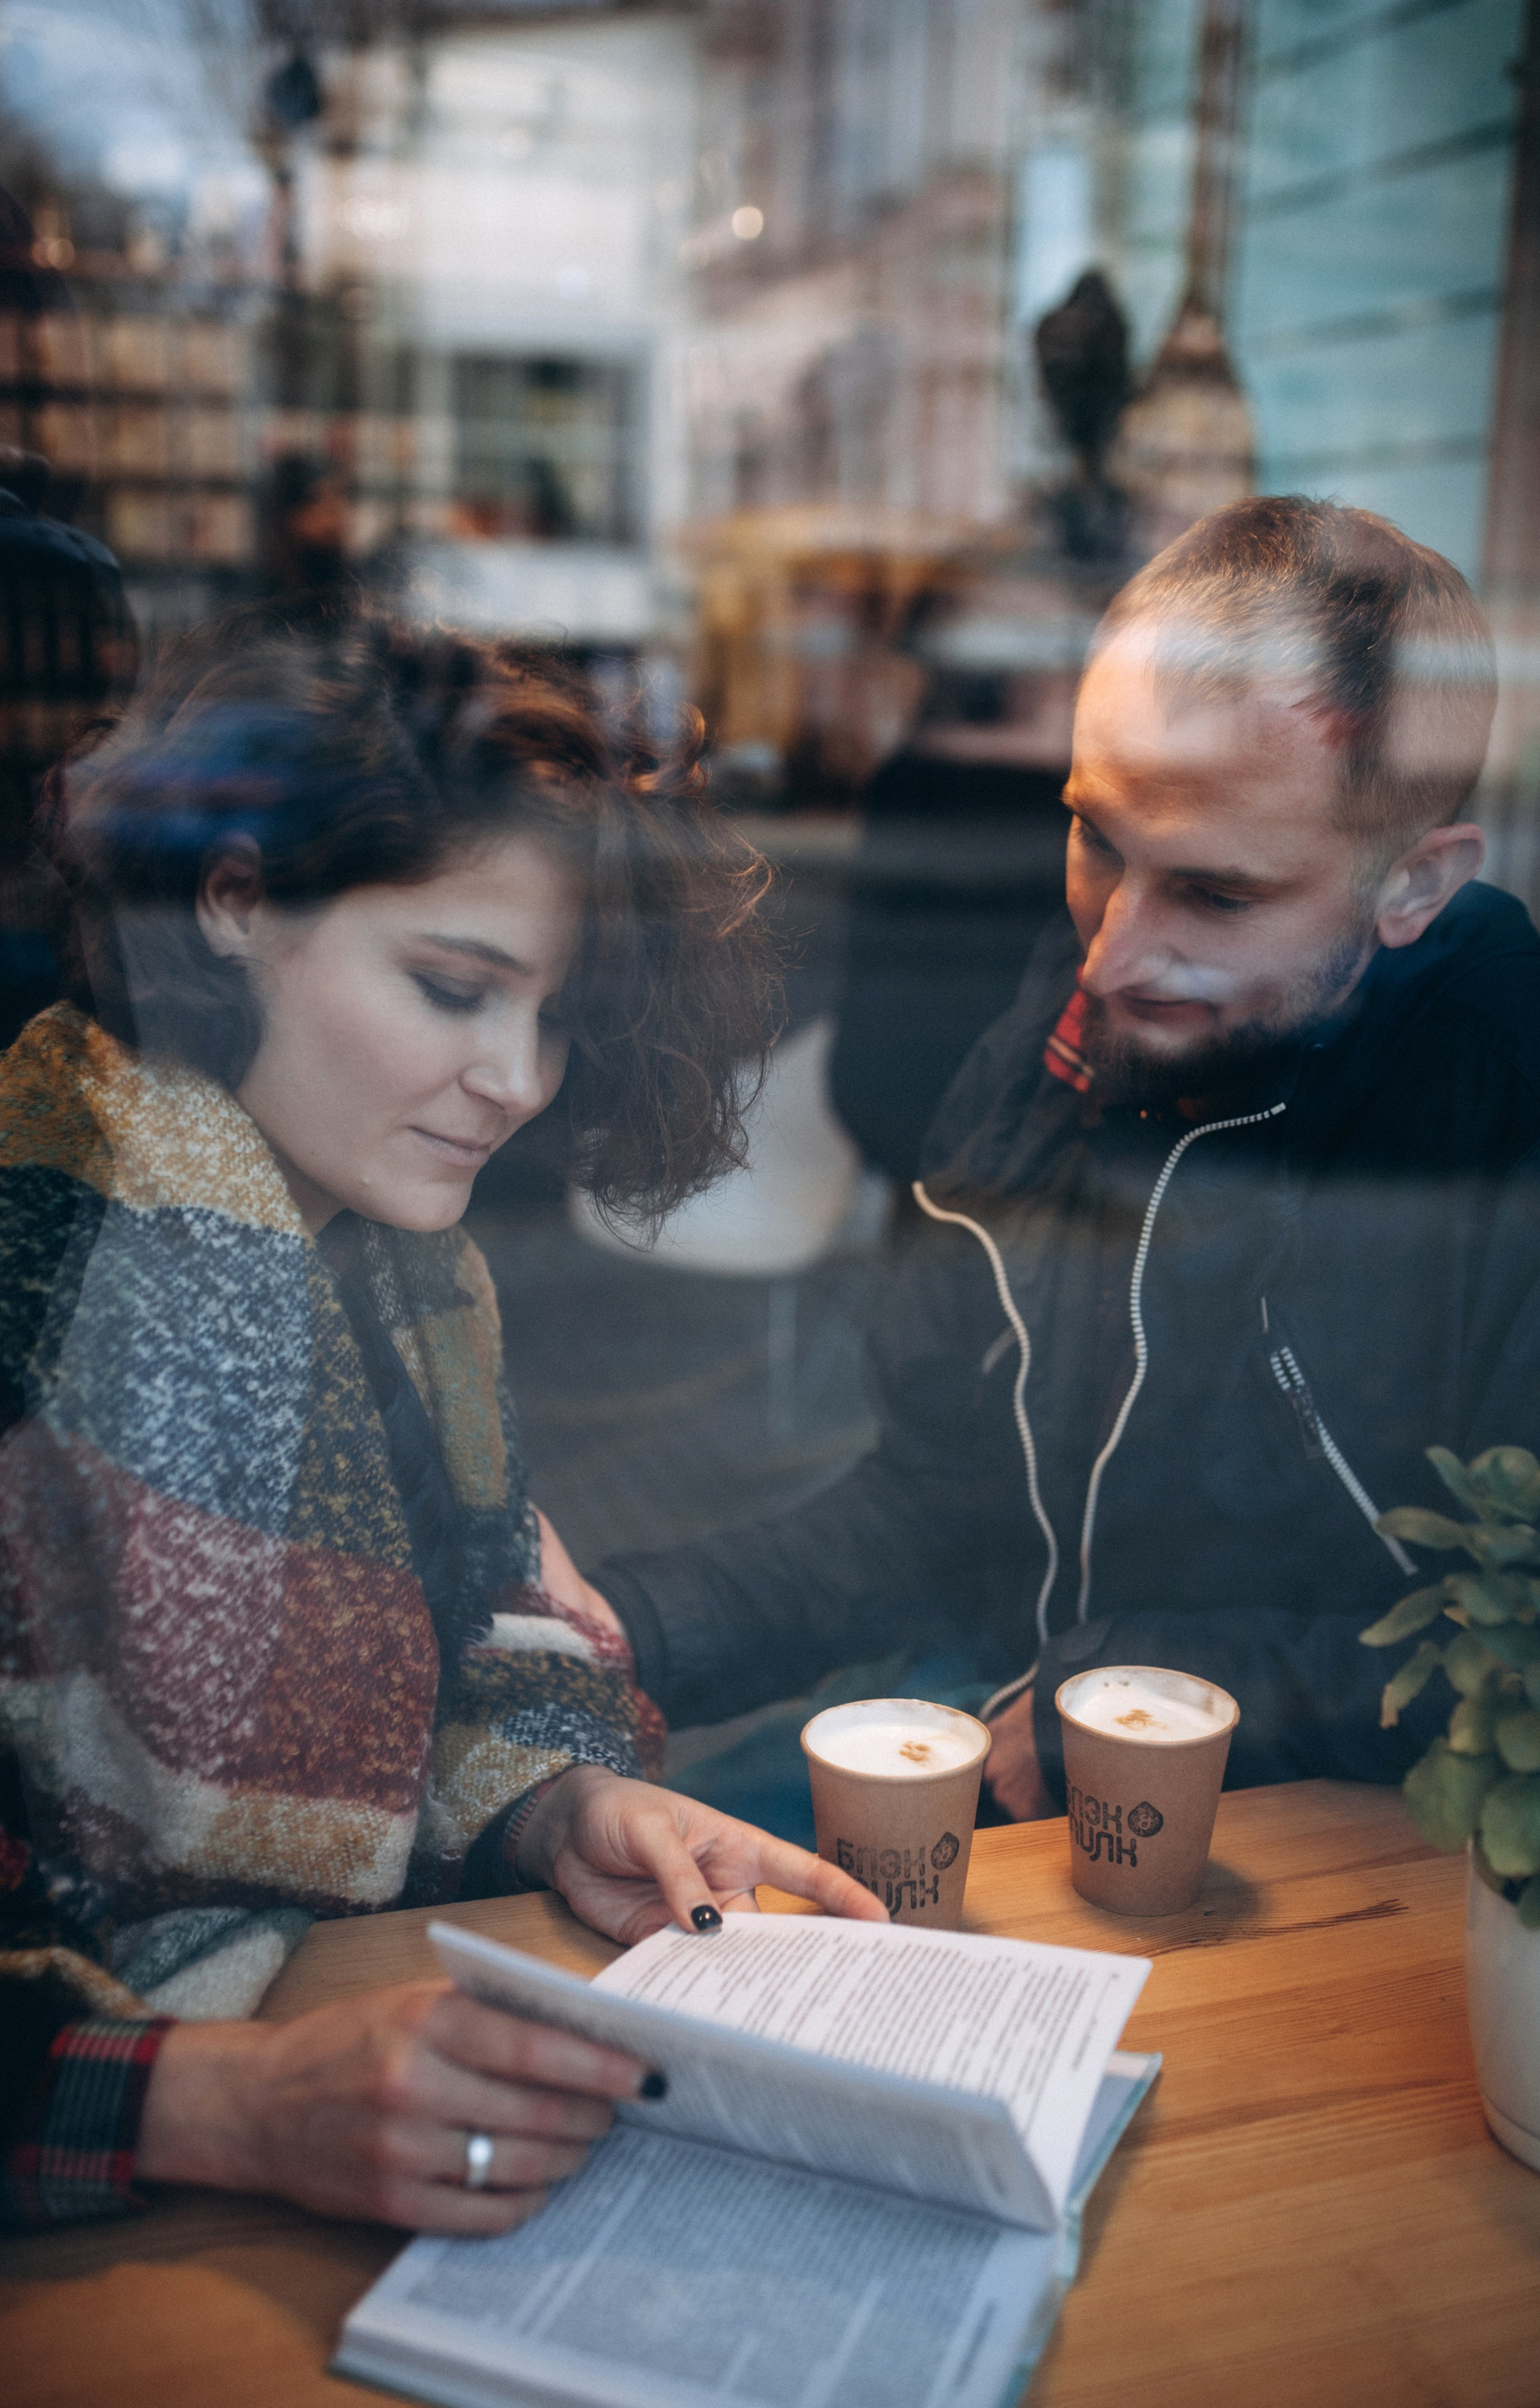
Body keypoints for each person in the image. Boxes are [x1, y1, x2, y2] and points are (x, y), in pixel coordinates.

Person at [0, 605, 882, 2237]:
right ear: (234, 899)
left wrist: (558, 1806)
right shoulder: (40, 1262)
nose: (518, 1080)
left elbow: (468, 1648)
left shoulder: (403, 1277)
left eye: (548, 1016)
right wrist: (228, 2104)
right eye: (450, 988)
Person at [563, 496, 1540, 1820]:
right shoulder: (1084, 1018)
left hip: (1338, 1837)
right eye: (1094, 841)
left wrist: (1141, 1700)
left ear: (1412, 885)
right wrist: (637, 1624)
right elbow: (945, 1508)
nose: (1111, 953)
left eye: (1215, 894)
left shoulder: (1532, 1133)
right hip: (1015, 1709)